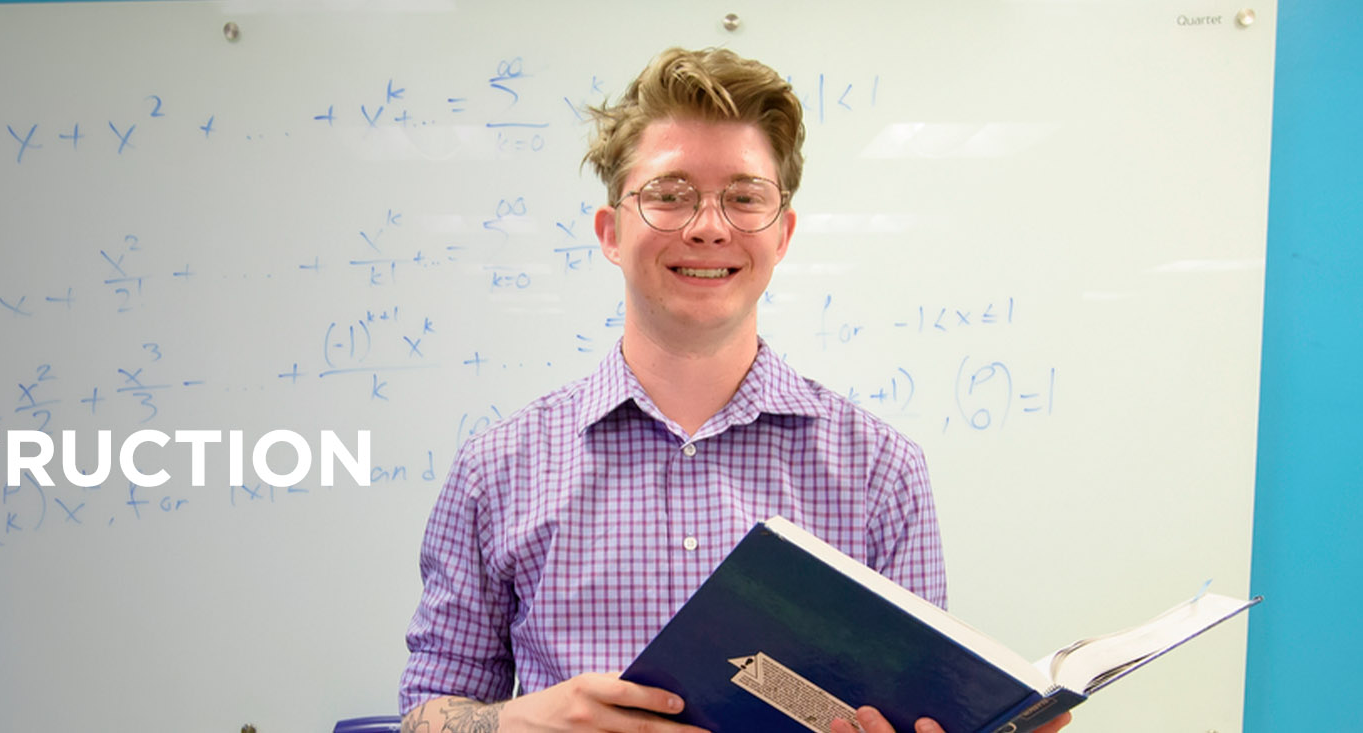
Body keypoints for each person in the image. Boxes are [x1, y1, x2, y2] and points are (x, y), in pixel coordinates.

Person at [396, 47, 1069, 733]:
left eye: (745, 197)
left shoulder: (881, 471)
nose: (709, 225)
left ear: (782, 234)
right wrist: (515, 722)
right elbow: (423, 715)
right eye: (669, 194)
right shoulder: (496, 469)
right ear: (610, 232)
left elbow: (918, 704)